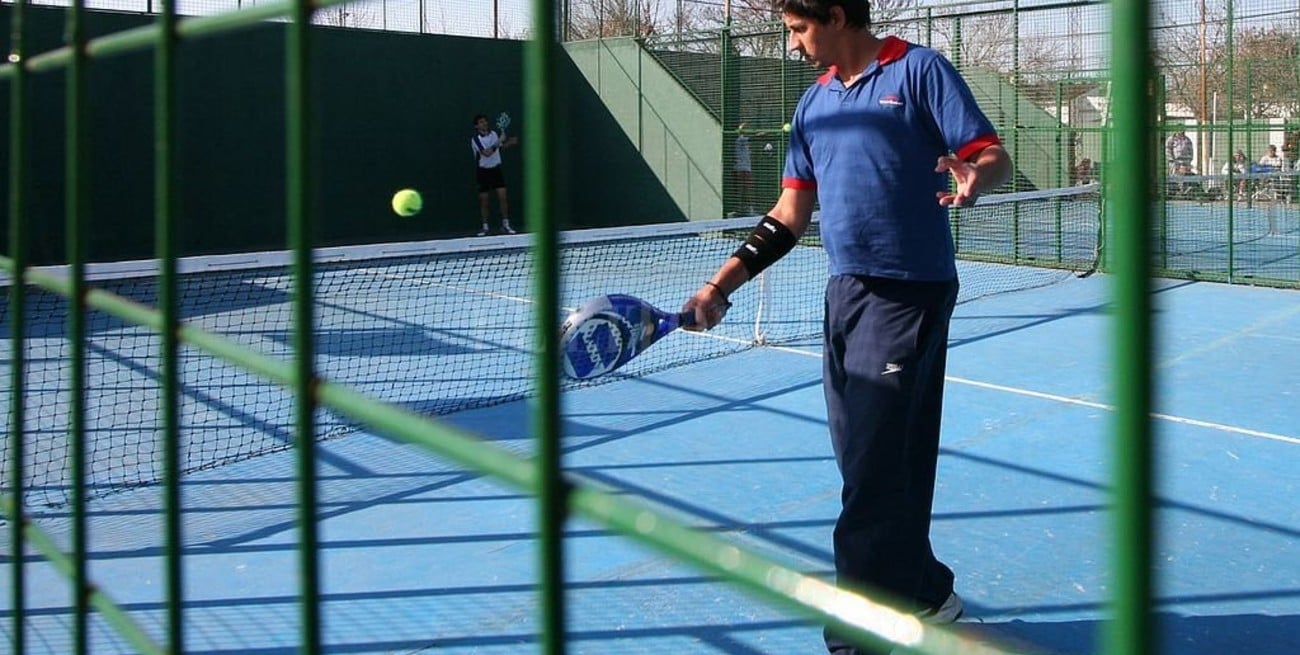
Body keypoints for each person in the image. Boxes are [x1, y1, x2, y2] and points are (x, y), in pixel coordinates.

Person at [681, 1, 1011, 652]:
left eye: (799, 29)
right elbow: (789, 213)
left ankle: (855, 638)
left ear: (835, 15)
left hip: (910, 293)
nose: (793, 44)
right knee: (868, 460)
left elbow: (989, 153)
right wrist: (721, 286)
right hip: (845, 294)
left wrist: (980, 175)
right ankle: (925, 590)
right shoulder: (814, 104)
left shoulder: (919, 72)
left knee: (873, 468)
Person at [470, 113, 518, 236]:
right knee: (484, 201)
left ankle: (506, 225)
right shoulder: (475, 139)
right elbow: (486, 153)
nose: (484, 123)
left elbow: (499, 149)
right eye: (481, 122)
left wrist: (509, 143)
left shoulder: (494, 134)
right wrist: (499, 141)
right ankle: (485, 227)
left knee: (503, 197)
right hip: (483, 172)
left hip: (496, 170)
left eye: (485, 121)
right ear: (476, 126)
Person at [733, 122, 756, 216]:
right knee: (743, 189)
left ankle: (746, 209)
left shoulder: (744, 141)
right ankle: (741, 209)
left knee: (747, 189)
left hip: (746, 168)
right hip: (741, 169)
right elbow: (754, 138)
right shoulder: (740, 140)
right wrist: (762, 134)